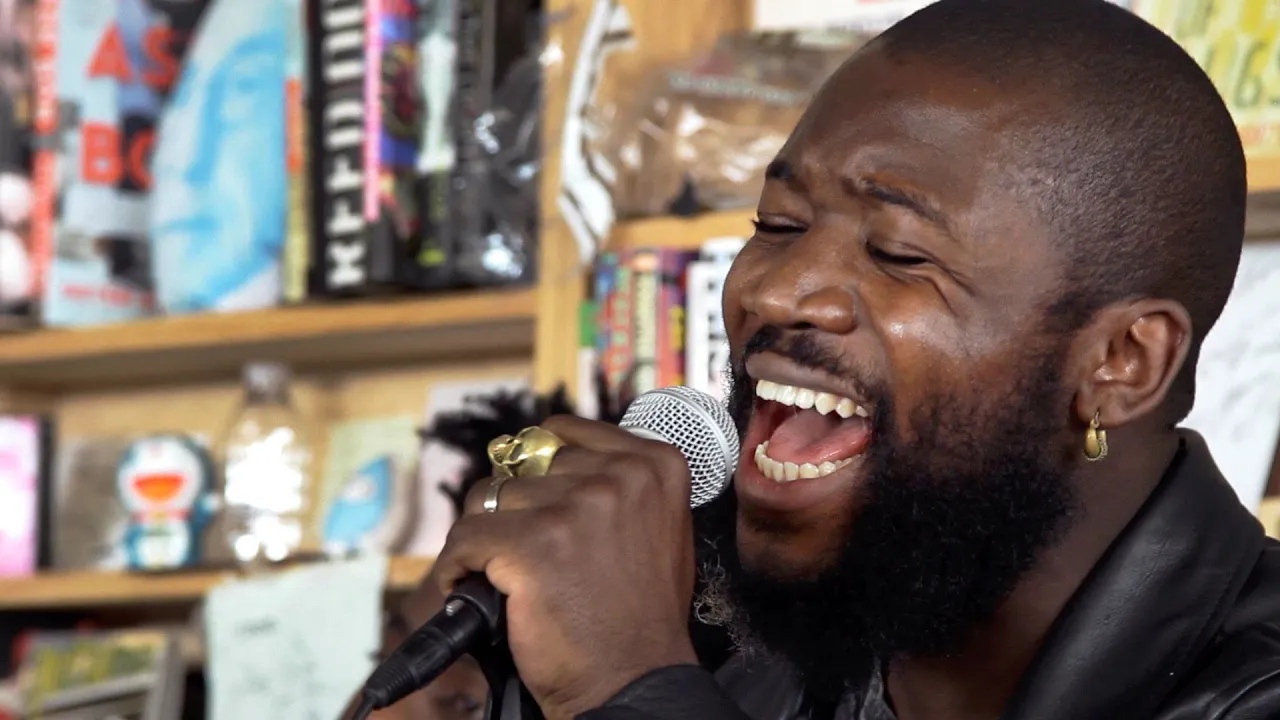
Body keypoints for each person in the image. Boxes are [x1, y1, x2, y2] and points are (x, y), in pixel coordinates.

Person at [420, 1, 1280, 719]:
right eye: (778, 225)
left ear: (1121, 364)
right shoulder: (748, 677)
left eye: (900, 253)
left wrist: (630, 686)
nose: (780, 291)